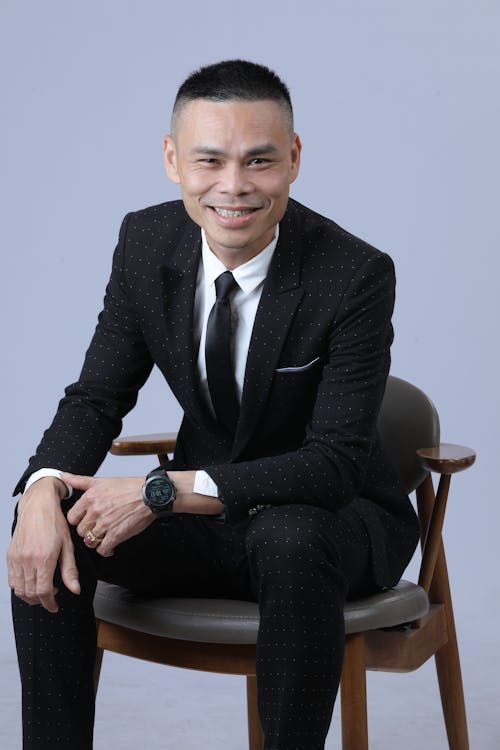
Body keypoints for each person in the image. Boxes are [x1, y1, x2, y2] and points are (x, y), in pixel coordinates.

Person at [7, 59, 420, 750]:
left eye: (259, 160)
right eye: (209, 160)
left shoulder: (353, 274)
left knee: (289, 538)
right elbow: (95, 398)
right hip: (206, 523)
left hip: (331, 523)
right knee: (57, 534)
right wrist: (39, 493)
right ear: (172, 160)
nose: (233, 186)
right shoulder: (145, 243)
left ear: (293, 159)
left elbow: (332, 466)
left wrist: (162, 492)